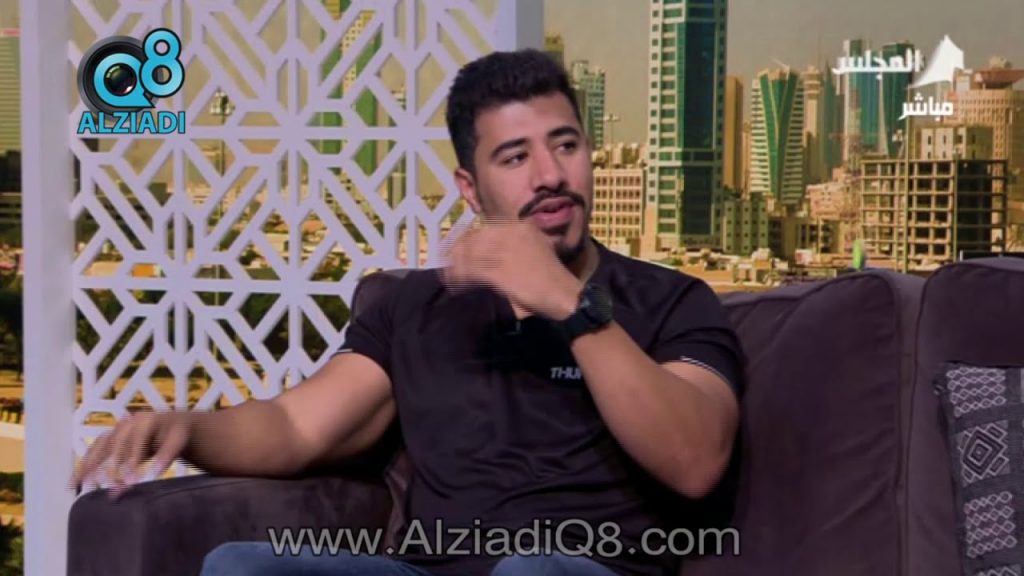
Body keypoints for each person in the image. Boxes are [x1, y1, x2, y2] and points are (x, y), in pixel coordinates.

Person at [73, 48, 745, 576]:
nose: (549, 174)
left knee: (531, 570)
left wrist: (568, 304)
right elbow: (294, 425)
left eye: (565, 145)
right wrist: (188, 428)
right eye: (515, 157)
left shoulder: (669, 300)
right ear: (470, 189)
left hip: (581, 570)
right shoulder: (415, 306)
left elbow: (695, 459)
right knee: (241, 566)